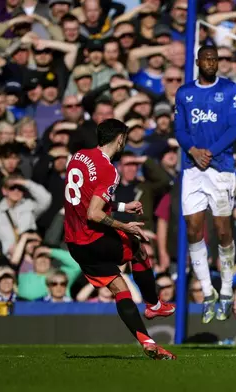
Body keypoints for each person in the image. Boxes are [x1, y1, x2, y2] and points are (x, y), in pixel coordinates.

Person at [63, 119, 176, 360]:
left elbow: (86, 198)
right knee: (137, 248)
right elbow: (94, 213)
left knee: (119, 288)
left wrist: (123, 205)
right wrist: (125, 225)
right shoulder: (109, 169)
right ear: (120, 139)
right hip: (93, 238)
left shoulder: (78, 157)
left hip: (75, 243)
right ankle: (154, 305)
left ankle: (147, 342)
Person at [174, 45, 236, 323]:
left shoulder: (230, 90)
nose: (212, 63)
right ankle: (207, 291)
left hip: (221, 169)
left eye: (215, 59)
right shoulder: (185, 93)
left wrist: (210, 151)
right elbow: (180, 129)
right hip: (193, 170)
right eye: (207, 59)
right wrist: (193, 150)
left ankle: (226, 288)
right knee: (193, 229)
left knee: (223, 230)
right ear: (198, 61)